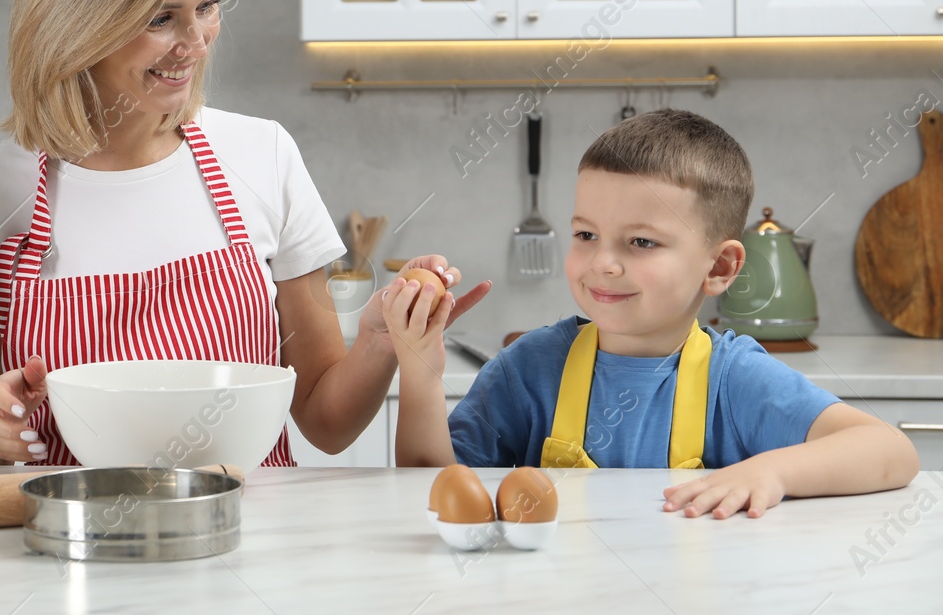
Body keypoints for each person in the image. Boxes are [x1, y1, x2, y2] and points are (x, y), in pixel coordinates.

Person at [0, 0, 490, 466]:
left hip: (250, 547)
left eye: (209, 5)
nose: (197, 41)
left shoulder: (263, 156)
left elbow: (325, 419)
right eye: (161, 17)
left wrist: (380, 340)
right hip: (76, 552)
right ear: (75, 21)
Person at [391, 108, 919, 518]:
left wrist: (772, 472)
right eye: (586, 235)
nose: (603, 263)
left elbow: (890, 449)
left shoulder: (732, 379)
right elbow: (432, 487)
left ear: (720, 267)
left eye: (641, 241)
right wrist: (419, 369)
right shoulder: (526, 370)